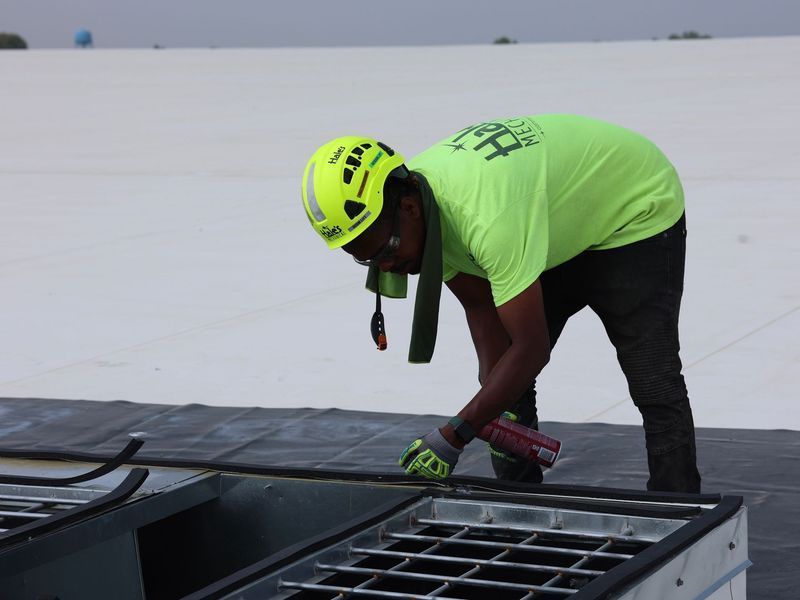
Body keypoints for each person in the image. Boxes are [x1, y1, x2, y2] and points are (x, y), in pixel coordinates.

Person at [301, 114, 701, 493]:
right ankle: (519, 508)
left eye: (385, 250)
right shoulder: (421, 207)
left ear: (408, 209)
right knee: (505, 391)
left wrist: (457, 432)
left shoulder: (483, 218)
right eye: (366, 258)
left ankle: (680, 510)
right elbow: (480, 307)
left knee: (653, 379)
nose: (388, 266)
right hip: (554, 217)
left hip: (633, 208)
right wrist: (491, 409)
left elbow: (532, 348)